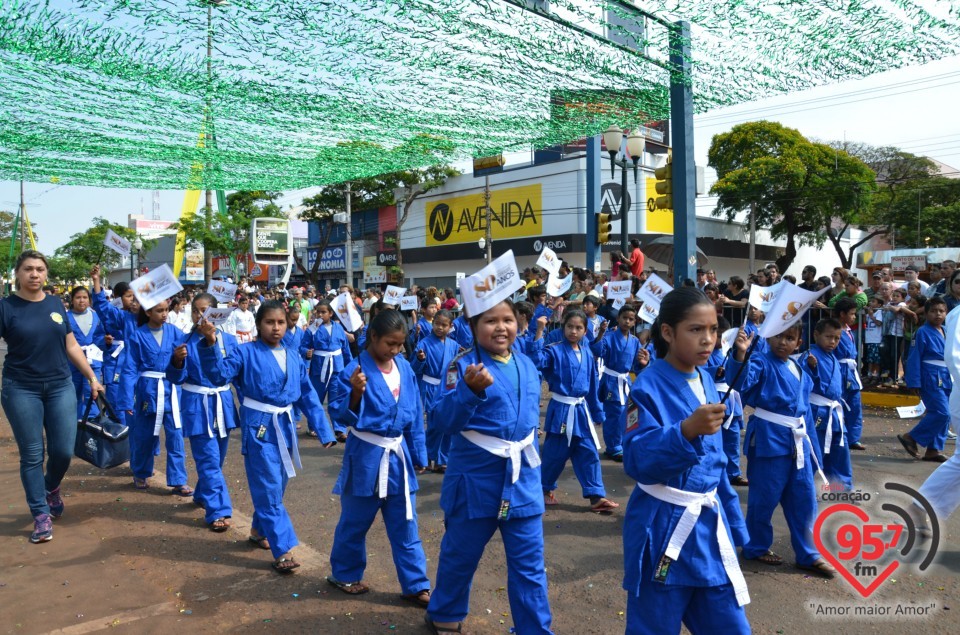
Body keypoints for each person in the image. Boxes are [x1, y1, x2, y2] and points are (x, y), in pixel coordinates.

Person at [621, 288, 751, 634]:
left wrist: (735, 524)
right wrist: (685, 432)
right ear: (667, 332)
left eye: (712, 329)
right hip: (664, 526)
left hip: (708, 525)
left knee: (730, 624)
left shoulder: (708, 380)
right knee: (654, 623)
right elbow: (636, 459)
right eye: (695, 330)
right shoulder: (647, 388)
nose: (707, 340)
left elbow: (717, 464)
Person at [426, 299, 554, 635]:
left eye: (507, 320)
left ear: (519, 323)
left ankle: (534, 629)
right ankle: (445, 613)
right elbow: (441, 420)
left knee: (530, 567)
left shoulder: (526, 363)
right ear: (472, 326)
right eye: (490, 321)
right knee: (459, 555)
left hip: (523, 482)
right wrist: (467, 391)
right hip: (474, 481)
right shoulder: (462, 366)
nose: (500, 327)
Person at [198, 300, 336, 573]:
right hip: (259, 428)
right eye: (270, 322)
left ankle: (259, 530)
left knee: (277, 485)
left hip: (285, 427)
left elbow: (307, 394)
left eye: (281, 322)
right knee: (270, 487)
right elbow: (219, 375)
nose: (276, 328)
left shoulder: (293, 355)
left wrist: (323, 429)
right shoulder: (245, 352)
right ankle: (283, 549)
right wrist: (211, 342)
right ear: (259, 324)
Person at [325, 310, 431, 604]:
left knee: (406, 523)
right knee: (355, 521)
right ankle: (344, 573)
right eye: (389, 343)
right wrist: (355, 395)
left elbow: (414, 415)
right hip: (366, 456)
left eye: (400, 344)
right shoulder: (353, 370)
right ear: (372, 337)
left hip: (398, 456)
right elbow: (338, 412)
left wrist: (419, 453)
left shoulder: (406, 369)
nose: (395, 350)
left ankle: (416, 583)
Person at [1, 250, 105, 543]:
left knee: (62, 450)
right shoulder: (6, 308)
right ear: (17, 274)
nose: (34, 274)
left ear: (46, 274)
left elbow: (70, 344)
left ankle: (50, 487)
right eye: (28, 269)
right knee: (33, 454)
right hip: (21, 388)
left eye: (40, 269)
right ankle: (40, 514)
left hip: (60, 386)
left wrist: (92, 378)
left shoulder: (55, 304)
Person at [726, 322, 836, 578]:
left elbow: (805, 413)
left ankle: (809, 553)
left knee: (804, 499)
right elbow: (741, 382)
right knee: (763, 498)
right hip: (769, 440)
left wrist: (814, 453)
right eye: (778, 336)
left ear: (798, 343)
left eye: (790, 338)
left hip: (798, 441)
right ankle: (755, 546)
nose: (782, 342)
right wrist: (741, 354)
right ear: (768, 338)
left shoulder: (799, 369)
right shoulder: (760, 362)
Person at [532, 308, 618, 513]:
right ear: (563, 328)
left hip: (581, 410)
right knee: (555, 453)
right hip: (561, 409)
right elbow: (536, 361)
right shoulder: (553, 350)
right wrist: (539, 332)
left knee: (588, 451)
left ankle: (596, 495)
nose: (573, 331)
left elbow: (592, 385)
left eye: (578, 327)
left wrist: (597, 412)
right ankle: (542, 489)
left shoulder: (588, 353)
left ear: (585, 330)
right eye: (570, 326)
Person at [167, 292, 239, 532]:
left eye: (205, 310)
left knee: (216, 458)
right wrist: (176, 362)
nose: (200, 315)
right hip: (197, 405)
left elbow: (231, 373)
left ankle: (201, 494)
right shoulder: (183, 341)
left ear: (216, 313)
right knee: (208, 460)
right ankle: (218, 510)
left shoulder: (229, 340)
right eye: (195, 310)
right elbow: (176, 378)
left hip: (223, 403)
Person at [123, 299, 192, 494]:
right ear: (148, 312)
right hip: (148, 391)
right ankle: (141, 471)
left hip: (171, 390)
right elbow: (129, 368)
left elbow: (190, 346)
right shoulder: (138, 336)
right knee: (144, 434)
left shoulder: (175, 332)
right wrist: (127, 398)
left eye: (166, 310)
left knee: (175, 434)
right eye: (159, 310)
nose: (164, 314)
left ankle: (179, 480)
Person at [591, 304, 649, 461]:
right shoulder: (609, 337)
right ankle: (613, 446)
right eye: (624, 318)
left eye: (631, 319)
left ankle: (622, 443)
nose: (627, 321)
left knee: (627, 414)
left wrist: (643, 363)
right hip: (611, 380)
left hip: (625, 381)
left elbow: (637, 366)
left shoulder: (635, 341)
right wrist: (601, 333)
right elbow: (597, 351)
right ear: (618, 318)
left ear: (635, 321)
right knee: (613, 415)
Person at [898, 297, 952, 463]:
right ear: (926, 313)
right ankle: (911, 437)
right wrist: (913, 381)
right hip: (930, 375)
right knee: (942, 412)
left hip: (947, 375)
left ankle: (933, 450)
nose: (938, 314)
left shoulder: (947, 330)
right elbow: (914, 357)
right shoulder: (922, 332)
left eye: (941, 311)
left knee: (946, 415)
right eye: (934, 311)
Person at [803, 318, 852, 491]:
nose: (833, 342)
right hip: (817, 411)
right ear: (816, 335)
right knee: (814, 452)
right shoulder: (809, 356)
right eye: (828, 337)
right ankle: (803, 487)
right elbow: (804, 381)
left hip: (834, 411)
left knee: (840, 451)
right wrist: (811, 367)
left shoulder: (833, 358)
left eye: (837, 338)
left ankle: (842, 488)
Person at [411, 309, 459, 473]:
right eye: (437, 324)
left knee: (448, 425)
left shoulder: (453, 345)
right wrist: (420, 359)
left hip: (448, 388)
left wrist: (453, 388)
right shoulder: (423, 343)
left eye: (444, 325)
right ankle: (427, 456)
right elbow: (414, 368)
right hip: (430, 388)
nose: (439, 328)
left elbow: (455, 368)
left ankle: (442, 460)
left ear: (450, 326)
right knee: (433, 425)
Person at [91, 268, 139, 428]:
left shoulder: (146, 319)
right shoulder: (117, 316)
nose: (132, 300)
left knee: (137, 406)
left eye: (134, 296)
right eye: (128, 296)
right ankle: (118, 438)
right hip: (116, 364)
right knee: (117, 405)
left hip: (136, 367)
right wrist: (105, 342)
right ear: (119, 297)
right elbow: (102, 308)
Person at [302, 299, 352, 441]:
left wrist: (351, 367)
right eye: (318, 312)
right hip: (319, 369)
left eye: (323, 312)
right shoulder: (313, 328)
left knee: (337, 399)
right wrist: (306, 352)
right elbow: (303, 345)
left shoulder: (339, 329)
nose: (320, 315)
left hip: (337, 368)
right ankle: (314, 426)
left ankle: (339, 429)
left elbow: (345, 350)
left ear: (330, 313)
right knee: (316, 398)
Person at [65, 286, 106, 423]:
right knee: (72, 392)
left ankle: (91, 422)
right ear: (72, 300)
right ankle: (73, 422)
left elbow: (99, 336)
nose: (81, 301)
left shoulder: (95, 315)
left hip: (93, 360)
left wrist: (105, 342)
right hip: (72, 361)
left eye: (84, 298)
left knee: (92, 391)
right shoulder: (66, 317)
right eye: (78, 297)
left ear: (89, 300)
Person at [833, 298, 865, 450]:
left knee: (854, 404)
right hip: (839, 370)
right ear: (842, 314)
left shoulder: (848, 331)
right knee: (839, 403)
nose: (854, 317)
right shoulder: (833, 331)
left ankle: (853, 437)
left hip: (851, 372)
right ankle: (838, 433)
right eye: (851, 314)